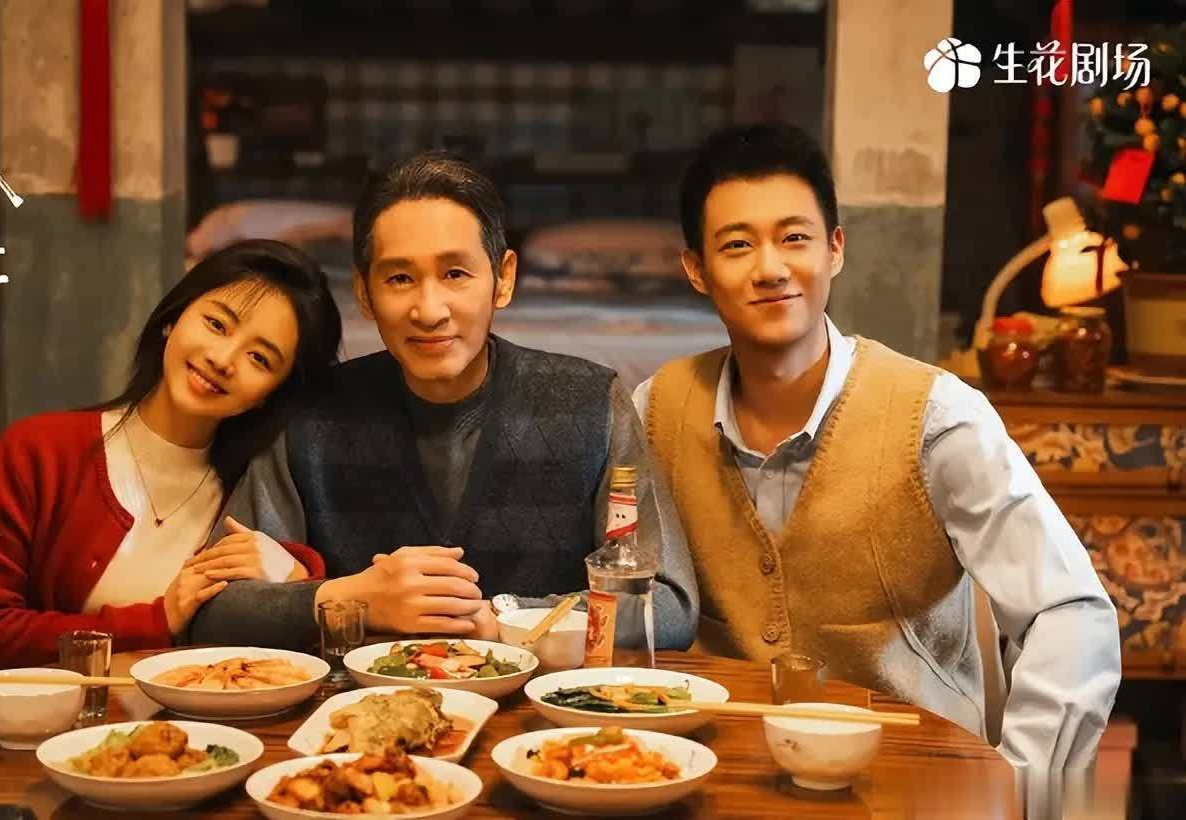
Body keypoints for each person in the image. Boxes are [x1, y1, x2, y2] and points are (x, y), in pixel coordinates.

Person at [634, 122, 1120, 770]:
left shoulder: (936, 418)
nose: (771, 269)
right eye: (738, 245)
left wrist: (1020, 785)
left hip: (916, 773)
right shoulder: (657, 411)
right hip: (724, 773)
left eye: (795, 238)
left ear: (835, 248)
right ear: (697, 269)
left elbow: (1070, 611)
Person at [189, 151, 698, 650]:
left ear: (504, 279)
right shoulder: (310, 414)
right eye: (399, 278)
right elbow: (214, 607)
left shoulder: (590, 402)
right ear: (364, 293)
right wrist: (353, 598)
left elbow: (668, 604)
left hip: (544, 704)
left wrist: (506, 618)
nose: (429, 311)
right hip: (355, 703)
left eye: (455, 274)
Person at [0, 240, 343, 671]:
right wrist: (156, 620)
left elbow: (293, 650)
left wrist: (296, 577)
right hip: (33, 712)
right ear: (173, 318)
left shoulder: (255, 492)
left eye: (259, 358)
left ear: (272, 394)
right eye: (216, 324)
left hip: (187, 715)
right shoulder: (38, 451)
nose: (223, 359)